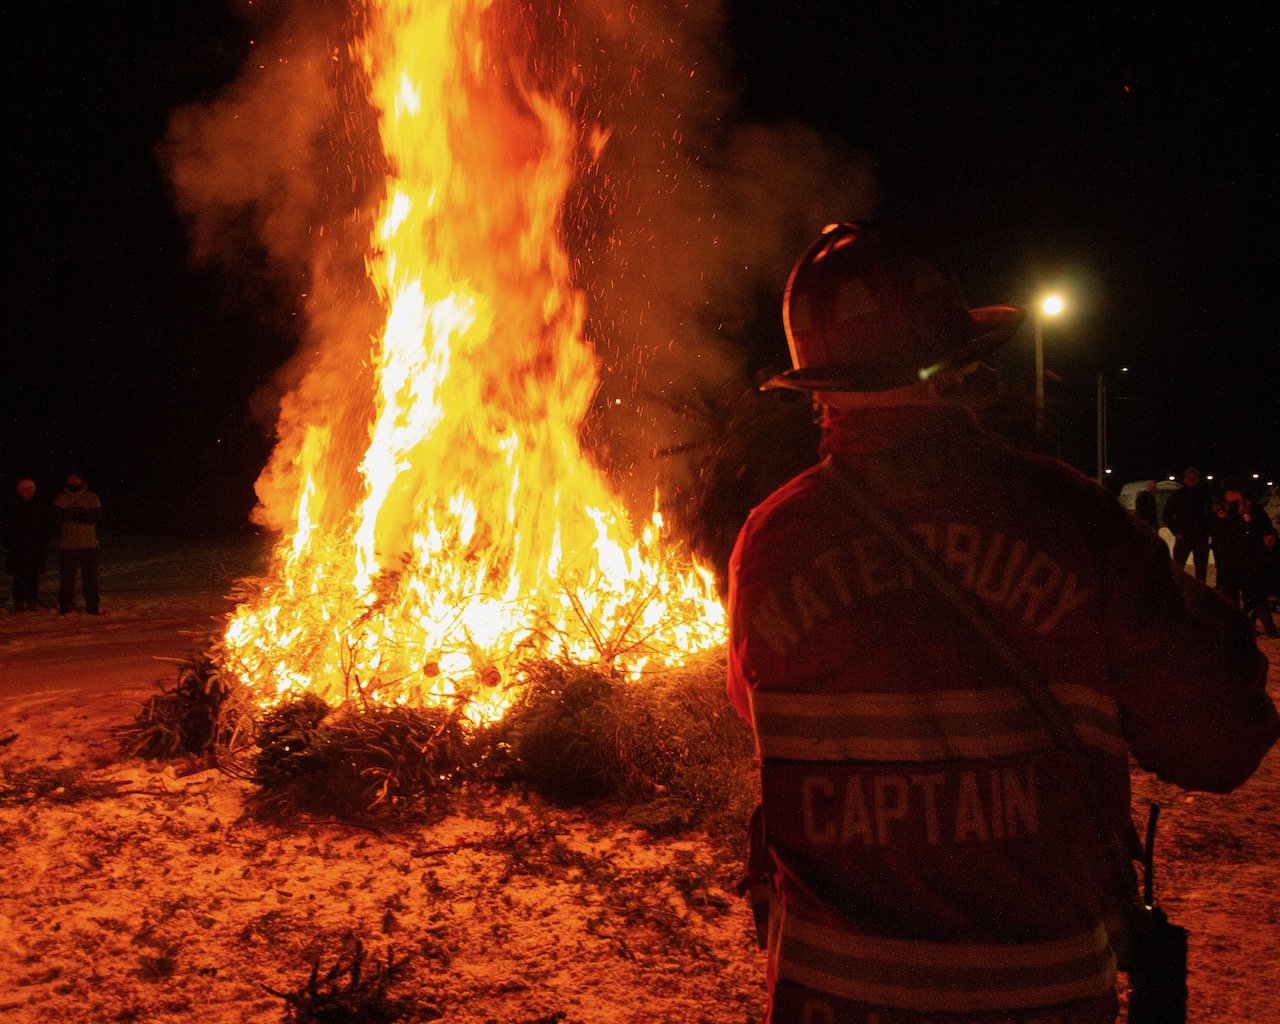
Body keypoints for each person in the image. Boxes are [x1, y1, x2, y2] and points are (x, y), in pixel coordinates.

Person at [727, 221, 1278, 1024]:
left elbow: (759, 711)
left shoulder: (769, 542)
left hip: (829, 1001)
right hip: (1039, 1002)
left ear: (821, 388)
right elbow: (1224, 736)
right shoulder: (1072, 520)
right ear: (961, 369)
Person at [53, 470, 103, 615]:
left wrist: (72, 514)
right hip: (68, 546)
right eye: (71, 478)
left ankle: (92, 606)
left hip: (89, 545)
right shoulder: (60, 498)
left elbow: (95, 517)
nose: (74, 481)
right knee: (67, 578)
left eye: (77, 478)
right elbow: (58, 517)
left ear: (82, 480)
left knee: (90, 578)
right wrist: (81, 512)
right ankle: (66, 606)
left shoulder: (92, 497)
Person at [3, 478, 51, 611]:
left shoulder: (40, 505)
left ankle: (32, 602)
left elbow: (47, 526)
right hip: (17, 548)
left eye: (30, 488)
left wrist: (42, 542)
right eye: (25, 489)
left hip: (35, 548)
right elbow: (6, 528)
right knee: (18, 578)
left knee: (33, 577)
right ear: (20, 491)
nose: (28, 491)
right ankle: (19, 603)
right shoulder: (12, 505)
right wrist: (10, 543)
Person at [1161, 467, 1213, 581]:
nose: (1191, 480)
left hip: (1201, 537)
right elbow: (1167, 514)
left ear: (1198, 479)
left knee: (1201, 569)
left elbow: (1210, 514)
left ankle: (1200, 593)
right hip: (1183, 537)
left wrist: (1208, 530)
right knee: (1178, 568)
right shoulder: (1178, 495)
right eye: (1188, 478)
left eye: (1193, 478)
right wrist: (1176, 531)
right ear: (1184, 479)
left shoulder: (1205, 495)